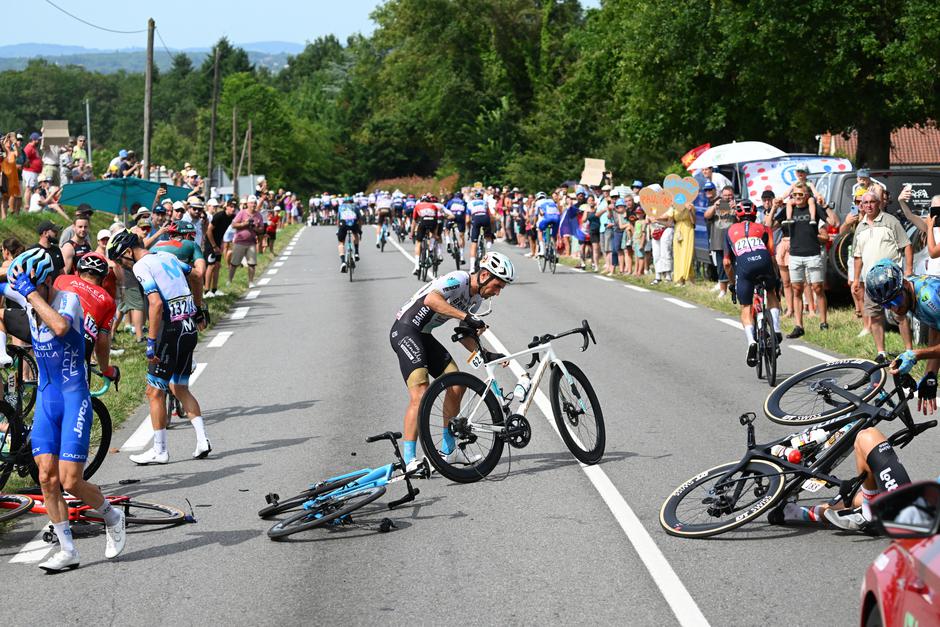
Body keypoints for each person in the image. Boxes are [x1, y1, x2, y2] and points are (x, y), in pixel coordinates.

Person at [1, 249, 125, 571]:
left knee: (71, 481)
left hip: (73, 396)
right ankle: (67, 549)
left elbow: (58, 327)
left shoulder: (67, 299)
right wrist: (13, 280)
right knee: (45, 477)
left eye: (32, 290)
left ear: (44, 283)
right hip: (46, 396)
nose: (26, 300)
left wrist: (28, 292)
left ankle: (113, 515)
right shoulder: (30, 291)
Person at [390, 252, 515, 470]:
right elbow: (432, 300)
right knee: (421, 393)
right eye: (497, 286)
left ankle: (448, 450)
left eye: (501, 288)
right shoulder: (459, 279)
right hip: (406, 330)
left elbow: (464, 334)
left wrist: (485, 352)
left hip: (424, 335)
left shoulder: (475, 300)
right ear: (484, 274)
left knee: (456, 385)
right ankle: (409, 460)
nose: (497, 292)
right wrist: (467, 317)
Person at [106, 230, 210, 464]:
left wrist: (151, 342)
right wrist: (198, 307)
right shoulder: (167, 257)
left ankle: (160, 451)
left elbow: (155, 304)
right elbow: (196, 275)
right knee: (180, 387)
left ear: (128, 252)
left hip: (169, 331)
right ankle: (202, 440)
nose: (123, 265)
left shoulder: (143, 265)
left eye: (121, 259)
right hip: (188, 326)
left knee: (154, 392)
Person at [865, 259, 940, 416]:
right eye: (887, 305)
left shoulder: (929, 298)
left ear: (905, 285)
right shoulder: (909, 295)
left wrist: (916, 354)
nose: (895, 307)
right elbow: (935, 326)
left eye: (896, 300)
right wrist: (930, 374)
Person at [852, 192, 913, 356]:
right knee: (875, 316)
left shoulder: (891, 221)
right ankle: (881, 352)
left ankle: (909, 351)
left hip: (892, 279)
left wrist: (908, 270)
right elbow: (857, 256)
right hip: (871, 281)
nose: (869, 205)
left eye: (873, 202)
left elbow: (906, 245)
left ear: (879, 203)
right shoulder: (860, 227)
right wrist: (856, 279)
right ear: (862, 206)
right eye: (866, 203)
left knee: (900, 314)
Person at [723, 200, 783, 366]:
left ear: (737, 215)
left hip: (745, 268)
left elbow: (727, 263)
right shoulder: (764, 228)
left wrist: (732, 283)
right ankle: (776, 329)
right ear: (756, 214)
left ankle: (751, 342)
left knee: (746, 306)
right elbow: (772, 256)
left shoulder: (730, 231)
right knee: (770, 292)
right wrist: (775, 278)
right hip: (763, 262)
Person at [786, 182, 829, 338]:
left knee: (817, 288)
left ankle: (823, 322)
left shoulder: (814, 207)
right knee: (797, 289)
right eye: (795, 194)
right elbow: (771, 225)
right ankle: (799, 326)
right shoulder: (789, 208)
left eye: (801, 194)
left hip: (813, 253)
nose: (798, 197)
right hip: (795, 255)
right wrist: (773, 209)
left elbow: (834, 221)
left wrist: (825, 206)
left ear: (807, 195)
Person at [704, 184, 734, 296]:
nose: (727, 197)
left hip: (733, 242)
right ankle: (723, 290)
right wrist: (714, 206)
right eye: (725, 195)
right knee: (721, 268)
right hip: (719, 242)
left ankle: (734, 288)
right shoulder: (716, 205)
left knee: (733, 266)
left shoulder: (737, 205)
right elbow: (706, 216)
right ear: (721, 195)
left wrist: (734, 207)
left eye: (730, 195)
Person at [228, 195, 263, 287]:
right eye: (251, 203)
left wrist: (254, 227)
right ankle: (229, 281)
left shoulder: (258, 215)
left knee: (252, 263)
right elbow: (233, 225)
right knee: (234, 263)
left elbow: (261, 230)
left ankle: (251, 282)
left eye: (255, 203)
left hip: (251, 242)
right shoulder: (242, 213)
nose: (253, 205)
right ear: (247, 204)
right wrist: (245, 223)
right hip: (240, 241)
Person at [204, 199, 235, 297]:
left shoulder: (232, 217)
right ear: (226, 206)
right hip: (210, 243)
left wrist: (221, 244)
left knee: (217, 265)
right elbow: (209, 231)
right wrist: (214, 246)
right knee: (211, 266)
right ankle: (206, 291)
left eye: (234, 207)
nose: (233, 208)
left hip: (218, 242)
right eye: (231, 206)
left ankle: (214, 289)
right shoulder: (219, 216)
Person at [411, 195, 443, 275]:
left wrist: (411, 233)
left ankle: (417, 266)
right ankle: (431, 250)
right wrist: (435, 234)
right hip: (433, 222)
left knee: (418, 243)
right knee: (432, 235)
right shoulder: (433, 205)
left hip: (423, 222)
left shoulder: (418, 206)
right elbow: (436, 219)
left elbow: (414, 221)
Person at [336, 196, 362, 273]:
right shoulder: (355, 207)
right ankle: (356, 253)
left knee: (341, 243)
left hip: (343, 224)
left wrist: (338, 229)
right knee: (355, 234)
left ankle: (343, 262)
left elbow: (338, 219)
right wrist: (359, 230)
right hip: (353, 224)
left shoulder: (340, 207)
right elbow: (360, 219)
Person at [534, 191, 561, 259]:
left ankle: (542, 250)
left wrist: (534, 223)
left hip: (547, 219)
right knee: (553, 236)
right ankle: (555, 253)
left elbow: (536, 215)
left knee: (539, 230)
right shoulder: (551, 200)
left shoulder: (537, 202)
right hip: (557, 219)